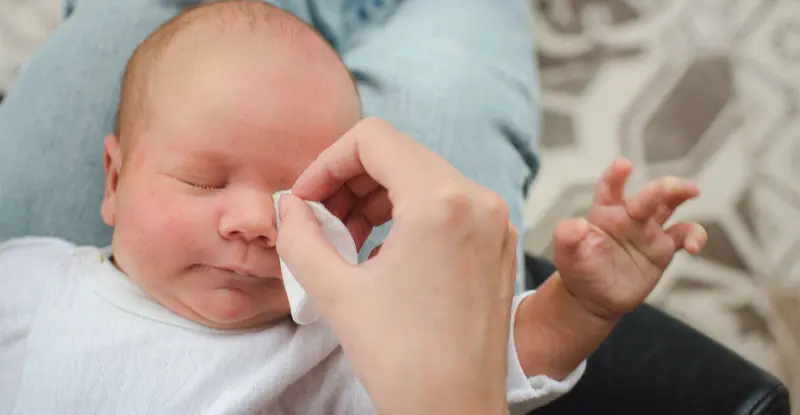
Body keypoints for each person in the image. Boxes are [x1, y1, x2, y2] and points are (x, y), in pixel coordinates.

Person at [0, 1, 708, 413]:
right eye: (203, 182)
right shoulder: (32, 283)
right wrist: (583, 307)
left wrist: (573, 308)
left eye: (296, 195)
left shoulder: (331, 335)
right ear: (113, 179)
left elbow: (477, 357)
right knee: (453, 53)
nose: (252, 221)